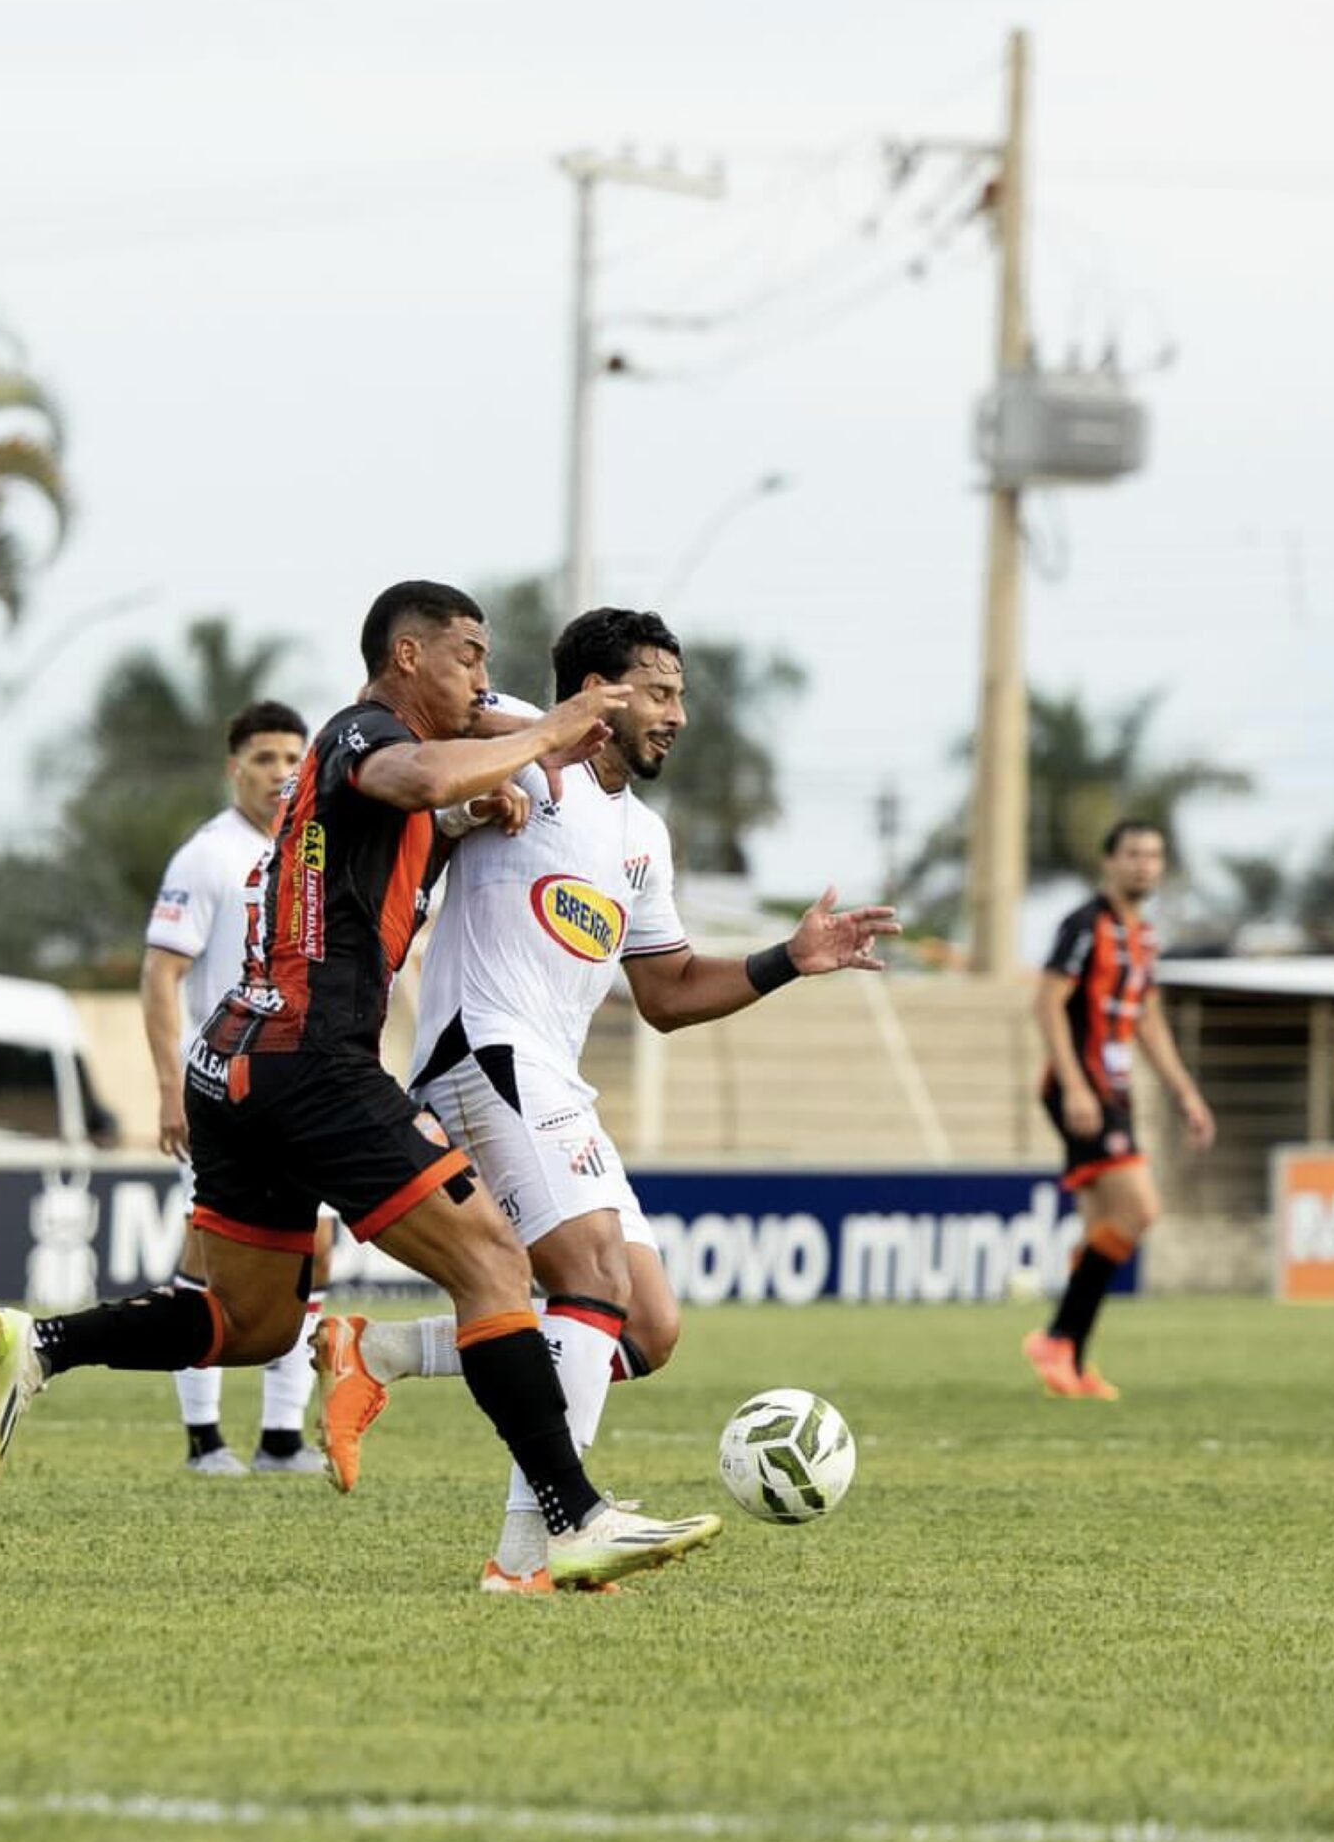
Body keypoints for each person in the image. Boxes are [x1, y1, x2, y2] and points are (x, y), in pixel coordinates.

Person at [0, 579, 722, 1590]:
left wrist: (476, 797)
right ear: (407, 657)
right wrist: (555, 729)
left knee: (253, 1320)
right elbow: (406, 776)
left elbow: (419, 806)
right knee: (492, 1258)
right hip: (313, 1058)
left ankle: (40, 1343)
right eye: (467, 657)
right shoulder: (361, 735)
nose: (483, 679)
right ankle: (569, 1518)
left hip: (243, 1057)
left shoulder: (411, 769)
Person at [311, 606, 898, 1592]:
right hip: (483, 1053)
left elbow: (666, 995)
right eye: (658, 692)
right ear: (601, 694)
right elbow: (452, 711)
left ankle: (383, 1351)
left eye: (680, 695)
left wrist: (787, 962)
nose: (675, 714)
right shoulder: (529, 768)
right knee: (588, 1272)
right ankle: (529, 1555)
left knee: (645, 1328)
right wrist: (513, 760)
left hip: (554, 1077)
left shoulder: (641, 837)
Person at [140, 699, 326, 1476]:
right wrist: (168, 1084)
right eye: (264, 758)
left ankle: (282, 1436)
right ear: (234, 768)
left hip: (296, 1086)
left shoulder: (309, 848)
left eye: (293, 758)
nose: (281, 773)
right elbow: (161, 975)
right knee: (211, 1254)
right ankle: (202, 1437)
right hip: (221, 1091)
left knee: (310, 1246)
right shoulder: (207, 857)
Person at [1024, 818, 1214, 1399]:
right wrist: (1077, 1086)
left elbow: (1147, 1020)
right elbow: (1048, 1004)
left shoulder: (1143, 936)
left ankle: (1071, 1362)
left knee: (1100, 1227)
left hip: (1117, 1092)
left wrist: (1184, 1091)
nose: (1143, 865)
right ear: (1108, 862)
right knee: (1141, 1209)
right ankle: (1058, 1337)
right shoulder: (1084, 926)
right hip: (1083, 1090)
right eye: (1132, 854)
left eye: (1153, 856)